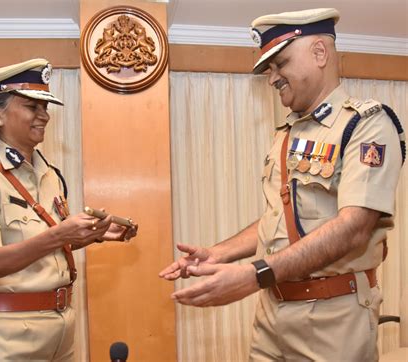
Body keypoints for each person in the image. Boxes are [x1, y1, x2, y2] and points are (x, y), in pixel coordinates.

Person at [159, 8, 405, 361]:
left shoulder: (365, 125)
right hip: (272, 313)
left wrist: (253, 275)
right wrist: (219, 253)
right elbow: (281, 221)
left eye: (280, 64)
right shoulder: (288, 132)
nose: (272, 78)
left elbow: (353, 228)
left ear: (320, 53)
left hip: (334, 320)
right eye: (268, 70)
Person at [0, 58, 137, 361]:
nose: (44, 116)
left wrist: (93, 235)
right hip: (4, 336)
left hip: (60, 328)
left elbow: (45, 245)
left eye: (45, 108)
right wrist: (60, 234)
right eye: (32, 107)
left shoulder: (49, 175)